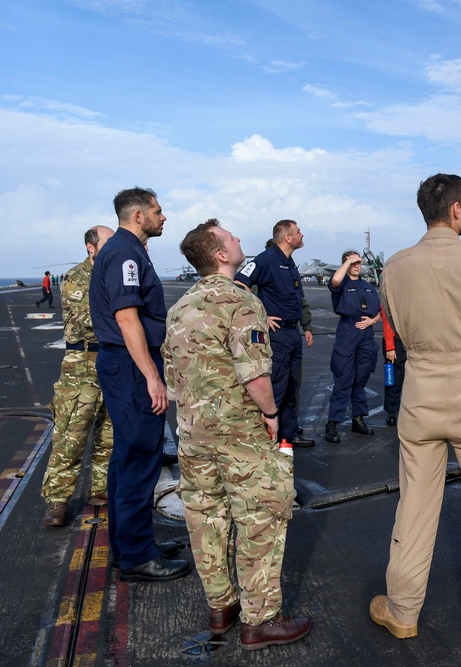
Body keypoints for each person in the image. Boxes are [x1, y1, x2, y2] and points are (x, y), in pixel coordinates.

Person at [369, 173, 461, 638]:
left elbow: (401, 333)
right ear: (455, 209)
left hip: (421, 394)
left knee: (415, 502)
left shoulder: (395, 266)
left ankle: (403, 610)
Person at [163, 219, 312, 650]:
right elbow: (255, 374)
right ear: (221, 255)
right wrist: (271, 414)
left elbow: (173, 380)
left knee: (205, 516)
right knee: (260, 516)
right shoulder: (240, 302)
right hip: (238, 432)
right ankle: (260, 619)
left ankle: (221, 606)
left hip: (193, 432)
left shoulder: (180, 307)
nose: (240, 240)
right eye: (232, 238)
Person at [89, 187, 190, 583]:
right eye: (158, 212)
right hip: (131, 367)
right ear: (138, 216)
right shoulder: (125, 253)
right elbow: (128, 319)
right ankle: (135, 558)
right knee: (139, 461)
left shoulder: (123, 251)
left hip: (124, 365)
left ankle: (131, 546)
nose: (163, 218)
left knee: (125, 461)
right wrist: (152, 378)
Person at [41, 226, 116, 527]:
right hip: (81, 363)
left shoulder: (114, 274)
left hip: (111, 359)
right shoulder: (76, 277)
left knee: (108, 434)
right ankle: (57, 500)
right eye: (108, 243)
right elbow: (93, 317)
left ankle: (100, 490)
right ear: (91, 247)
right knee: (71, 434)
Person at [234, 220, 315, 447]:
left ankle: (288, 436)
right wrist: (262, 316)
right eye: (298, 231)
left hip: (292, 333)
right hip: (277, 335)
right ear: (288, 237)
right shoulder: (266, 259)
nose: (302, 234)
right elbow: (240, 284)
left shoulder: (289, 262)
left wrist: (306, 326)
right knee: (277, 387)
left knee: (292, 385)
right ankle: (266, 440)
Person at [325, 251, 381, 443]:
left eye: (359, 262)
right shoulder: (341, 285)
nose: (357, 265)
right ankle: (333, 423)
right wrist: (347, 261)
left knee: (360, 379)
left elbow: (379, 312)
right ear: (346, 264)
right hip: (348, 332)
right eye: (353, 262)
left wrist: (372, 321)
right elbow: (334, 282)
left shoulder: (368, 287)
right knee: (343, 378)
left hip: (366, 334)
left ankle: (358, 419)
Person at [379, 310, 406, 426]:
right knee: (394, 376)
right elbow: (387, 321)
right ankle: (391, 411)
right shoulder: (392, 294)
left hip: (410, 340)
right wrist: (390, 347)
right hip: (396, 341)